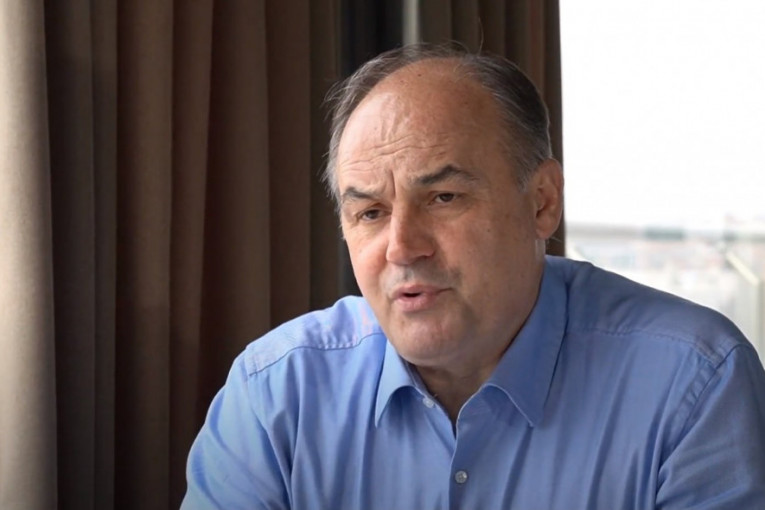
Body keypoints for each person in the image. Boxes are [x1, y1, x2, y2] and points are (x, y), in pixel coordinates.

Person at [181, 44, 765, 509]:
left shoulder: (693, 383)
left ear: (542, 202)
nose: (401, 248)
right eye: (371, 213)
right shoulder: (276, 394)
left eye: (443, 197)